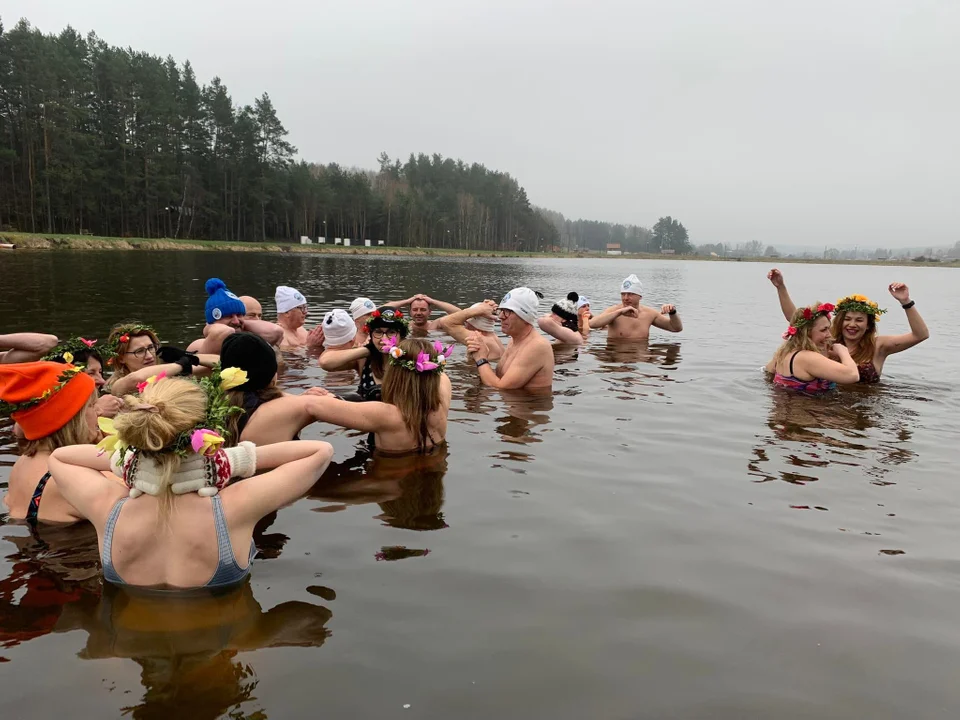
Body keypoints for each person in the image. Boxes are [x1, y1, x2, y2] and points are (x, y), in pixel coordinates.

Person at [47, 374, 334, 590]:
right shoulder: (237, 506)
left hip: (135, 656)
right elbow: (319, 451)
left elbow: (60, 458)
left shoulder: (106, 507)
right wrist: (231, 460)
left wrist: (127, 465)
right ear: (205, 430)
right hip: (217, 654)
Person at [767, 269, 930, 382]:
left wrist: (906, 302)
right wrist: (781, 288)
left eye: (859, 320)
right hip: (830, 408)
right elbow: (797, 322)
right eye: (848, 319)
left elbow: (920, 335)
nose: (852, 325)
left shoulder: (878, 345)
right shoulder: (829, 339)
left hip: (863, 409)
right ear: (840, 321)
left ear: (868, 325)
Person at [300, 338, 452, 453]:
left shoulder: (384, 414)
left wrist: (321, 395)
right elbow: (438, 374)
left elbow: (311, 405)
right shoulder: (442, 400)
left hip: (388, 483)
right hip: (431, 483)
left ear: (394, 374)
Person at [0, 361, 101, 524]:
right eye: (91, 406)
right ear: (71, 420)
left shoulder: (23, 462)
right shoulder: (70, 479)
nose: (100, 411)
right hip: (74, 549)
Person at [467, 287, 554, 390]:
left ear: (525, 316)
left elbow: (501, 387)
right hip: (510, 404)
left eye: (508, 311)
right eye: (501, 310)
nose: (501, 317)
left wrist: (481, 359)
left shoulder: (537, 346)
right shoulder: (515, 340)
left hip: (528, 404)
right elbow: (498, 378)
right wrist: (474, 356)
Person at [765, 302, 859, 394]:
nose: (829, 335)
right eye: (823, 330)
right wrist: (843, 351)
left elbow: (768, 371)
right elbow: (853, 375)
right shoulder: (807, 357)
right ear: (807, 333)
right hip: (808, 409)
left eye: (828, 329)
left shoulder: (784, 352)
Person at [319, 308, 409, 401]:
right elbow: (325, 362)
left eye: (391, 332)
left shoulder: (411, 358)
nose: (384, 338)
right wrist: (368, 350)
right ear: (370, 334)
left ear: (401, 336)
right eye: (378, 332)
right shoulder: (364, 360)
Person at [187, 278, 283, 353]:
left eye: (239, 315)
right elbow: (225, 331)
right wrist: (208, 327)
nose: (236, 321)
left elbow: (275, 331)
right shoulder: (198, 345)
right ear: (213, 321)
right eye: (228, 316)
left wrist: (242, 324)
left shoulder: (246, 343)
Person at [44, 337, 123, 418]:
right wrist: (98, 410)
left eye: (100, 372)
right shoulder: (47, 412)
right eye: (91, 373)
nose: (102, 381)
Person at [589, 274, 683, 339]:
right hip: (617, 358)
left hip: (640, 361)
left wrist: (673, 312)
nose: (625, 298)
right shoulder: (614, 311)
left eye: (630, 294)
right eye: (623, 294)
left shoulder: (649, 314)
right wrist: (619, 313)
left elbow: (675, 328)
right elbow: (592, 324)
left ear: (640, 296)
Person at [429, 300, 503, 360]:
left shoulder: (479, 339)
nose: (465, 325)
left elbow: (445, 322)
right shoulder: (493, 338)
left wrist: (479, 310)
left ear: (474, 322)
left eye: (467, 321)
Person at [103, 323, 163, 393]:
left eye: (151, 347)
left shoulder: (169, 377)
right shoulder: (113, 389)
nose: (149, 356)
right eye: (140, 351)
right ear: (121, 358)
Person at [384, 294, 461, 333]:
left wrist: (433, 301)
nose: (418, 313)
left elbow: (460, 313)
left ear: (429, 312)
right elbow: (381, 310)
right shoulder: (405, 325)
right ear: (410, 312)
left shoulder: (435, 325)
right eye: (415, 309)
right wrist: (407, 301)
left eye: (423, 310)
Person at [275, 285, 313, 350]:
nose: (305, 312)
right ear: (287, 312)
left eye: (305, 307)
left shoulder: (301, 329)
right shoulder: (278, 335)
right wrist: (311, 346)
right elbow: (287, 359)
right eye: (301, 308)